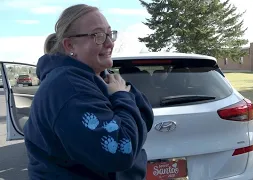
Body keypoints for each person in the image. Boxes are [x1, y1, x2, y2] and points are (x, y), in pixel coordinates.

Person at [23, 4, 154, 180]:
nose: (109, 42)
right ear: (70, 45)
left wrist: (123, 100)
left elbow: (145, 112)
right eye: (97, 35)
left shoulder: (96, 78)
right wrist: (121, 97)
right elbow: (121, 151)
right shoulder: (68, 88)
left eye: (109, 33)